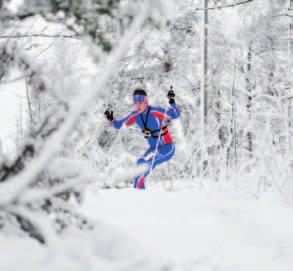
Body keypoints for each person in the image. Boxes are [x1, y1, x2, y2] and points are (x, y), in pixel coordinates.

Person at [104, 87, 180, 189]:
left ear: (146, 101)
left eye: (140, 102)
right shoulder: (135, 115)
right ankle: (139, 194)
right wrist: (111, 118)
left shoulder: (154, 112)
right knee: (140, 164)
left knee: (145, 164)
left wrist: (172, 102)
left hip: (167, 148)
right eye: (135, 103)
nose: (138, 105)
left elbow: (175, 115)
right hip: (154, 149)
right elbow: (119, 125)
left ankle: (139, 194)